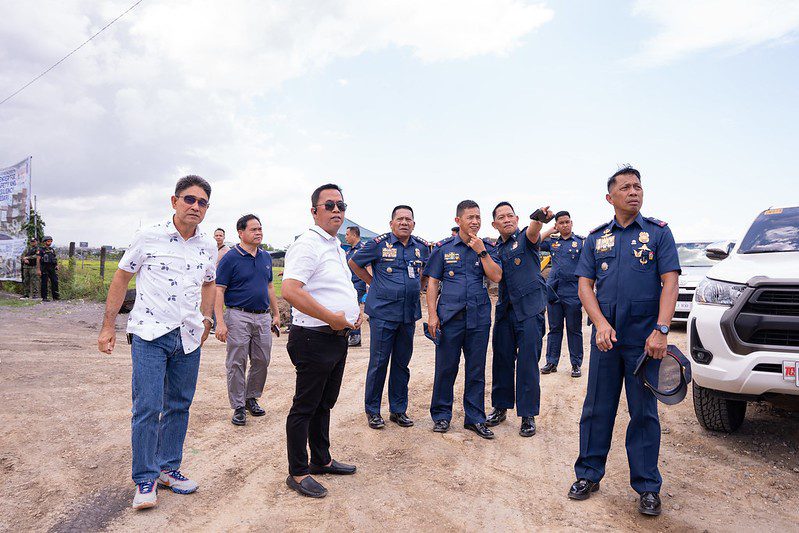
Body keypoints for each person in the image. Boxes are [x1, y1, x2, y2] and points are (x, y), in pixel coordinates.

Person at [97, 175, 217, 510]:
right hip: (150, 334)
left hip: (188, 337)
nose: (195, 206)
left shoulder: (207, 245)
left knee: (179, 405)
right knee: (148, 406)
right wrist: (108, 326)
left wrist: (206, 319)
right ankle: (145, 477)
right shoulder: (149, 236)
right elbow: (122, 276)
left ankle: (169, 469)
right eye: (189, 199)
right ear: (174, 201)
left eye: (202, 202)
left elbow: (210, 282)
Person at [568, 166, 679, 517]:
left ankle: (647, 486)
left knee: (644, 414)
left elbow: (670, 281)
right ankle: (588, 474)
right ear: (610, 197)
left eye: (638, 186)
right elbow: (585, 285)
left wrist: (661, 330)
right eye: (626, 187)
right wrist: (599, 323)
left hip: (644, 342)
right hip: (606, 339)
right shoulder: (595, 237)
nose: (634, 191)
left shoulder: (659, 233)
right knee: (596, 408)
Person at [281, 183, 363, 499]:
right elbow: (290, 290)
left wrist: (354, 313)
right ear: (314, 210)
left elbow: (332, 289)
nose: (337, 211)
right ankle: (298, 472)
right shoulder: (308, 244)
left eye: (341, 205)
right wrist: (332, 317)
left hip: (336, 337)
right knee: (305, 406)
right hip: (313, 337)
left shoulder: (335, 247)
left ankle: (321, 459)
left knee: (324, 404)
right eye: (329, 205)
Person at [426, 200, 502, 439]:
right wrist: (431, 315)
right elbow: (433, 283)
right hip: (450, 317)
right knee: (446, 368)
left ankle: (475, 418)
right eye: (470, 217)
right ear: (458, 220)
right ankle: (441, 415)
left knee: (476, 370)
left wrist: (481, 250)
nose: (475, 222)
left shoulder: (487, 247)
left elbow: (496, 276)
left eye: (478, 217)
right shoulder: (443, 248)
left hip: (479, 318)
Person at [348, 205, 430, 430]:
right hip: (383, 314)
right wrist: (372, 282)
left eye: (408, 219)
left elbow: (428, 272)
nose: (404, 222)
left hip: (408, 314)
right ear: (391, 223)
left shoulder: (421, 247)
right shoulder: (378, 245)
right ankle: (373, 411)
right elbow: (354, 262)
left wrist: (420, 285)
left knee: (401, 364)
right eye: (400, 219)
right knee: (379, 363)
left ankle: (398, 410)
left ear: (414, 223)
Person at [485, 202, 551, 437]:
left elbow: (534, 230)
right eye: (501, 217)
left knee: (527, 364)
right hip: (505, 311)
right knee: (501, 359)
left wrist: (539, 217)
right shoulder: (494, 249)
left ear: (517, 218)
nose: (507, 219)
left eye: (510, 215)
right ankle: (500, 407)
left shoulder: (525, 238)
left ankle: (528, 415)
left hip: (530, 311)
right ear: (494, 224)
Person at [214, 214, 280, 426]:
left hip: (262, 316)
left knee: (262, 360)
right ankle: (238, 406)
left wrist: (276, 313)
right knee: (237, 361)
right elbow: (219, 290)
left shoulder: (265, 257)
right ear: (241, 233)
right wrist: (220, 322)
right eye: (254, 229)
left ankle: (252, 397)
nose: (259, 232)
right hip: (237, 315)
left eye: (260, 228)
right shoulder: (230, 258)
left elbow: (270, 287)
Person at [539, 211, 585, 377]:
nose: (565, 225)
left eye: (567, 222)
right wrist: (550, 230)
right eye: (561, 223)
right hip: (553, 291)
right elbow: (534, 241)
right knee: (554, 328)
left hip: (573, 291)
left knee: (574, 329)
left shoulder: (580, 242)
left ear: (571, 223)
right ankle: (551, 362)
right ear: (557, 225)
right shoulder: (552, 242)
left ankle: (575, 364)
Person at [344, 225, 367, 347]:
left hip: (359, 283)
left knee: (355, 308)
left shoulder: (363, 249)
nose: (346, 237)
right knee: (349, 308)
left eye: (347, 235)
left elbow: (369, 268)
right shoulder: (348, 251)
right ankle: (351, 334)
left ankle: (356, 335)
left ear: (354, 235)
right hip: (349, 284)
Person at [37, 236, 59, 301]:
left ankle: (56, 297)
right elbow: (38, 260)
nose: (50, 242)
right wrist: (38, 270)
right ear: (44, 242)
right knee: (44, 283)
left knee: (55, 281)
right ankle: (44, 298)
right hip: (44, 268)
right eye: (48, 241)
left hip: (52, 268)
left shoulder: (52, 250)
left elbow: (54, 258)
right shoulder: (41, 250)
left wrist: (56, 265)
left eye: (51, 241)